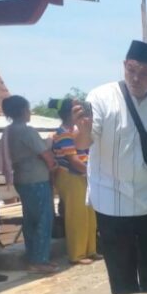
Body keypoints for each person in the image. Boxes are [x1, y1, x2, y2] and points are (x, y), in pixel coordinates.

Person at [74, 40, 147, 294]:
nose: (136, 78)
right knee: (122, 277)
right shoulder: (101, 97)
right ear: (124, 65)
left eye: (145, 74)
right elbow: (83, 142)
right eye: (132, 70)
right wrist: (84, 129)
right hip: (111, 202)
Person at [0, 95, 58, 273]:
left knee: (31, 220)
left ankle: (33, 256)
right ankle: (39, 260)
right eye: (27, 108)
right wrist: (53, 167)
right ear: (22, 111)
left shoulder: (8, 131)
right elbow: (45, 154)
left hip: (22, 179)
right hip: (36, 179)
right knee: (43, 219)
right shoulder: (27, 131)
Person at [51, 98, 97, 265]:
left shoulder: (76, 130)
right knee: (76, 215)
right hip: (70, 176)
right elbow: (72, 159)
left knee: (89, 213)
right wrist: (92, 172)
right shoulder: (63, 132)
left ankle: (91, 250)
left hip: (82, 175)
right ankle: (77, 254)